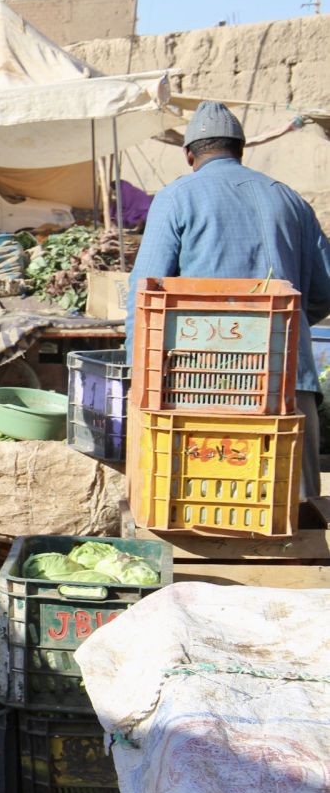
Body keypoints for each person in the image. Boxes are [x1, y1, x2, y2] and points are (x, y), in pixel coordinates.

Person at [127, 101, 330, 497]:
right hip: (287, 376)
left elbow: (145, 293)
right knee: (292, 509)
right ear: (241, 149)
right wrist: (294, 320)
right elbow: (324, 290)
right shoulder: (291, 200)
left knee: (206, 496)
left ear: (189, 154)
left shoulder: (174, 198)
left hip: (202, 381)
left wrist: (139, 373)